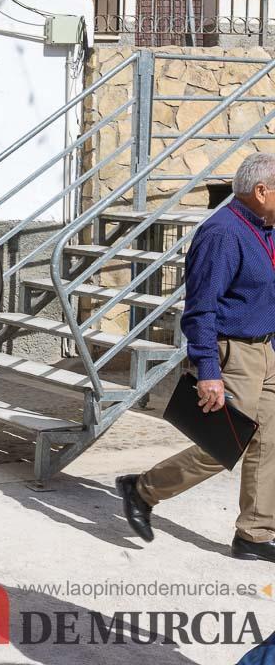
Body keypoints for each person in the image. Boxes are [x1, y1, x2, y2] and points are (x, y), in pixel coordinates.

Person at [118, 152, 275, 563]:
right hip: (232, 351)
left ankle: (254, 534)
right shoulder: (223, 234)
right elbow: (201, 308)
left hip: (266, 350)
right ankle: (143, 489)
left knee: (270, 441)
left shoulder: (267, 229)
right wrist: (208, 369)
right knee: (225, 444)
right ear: (261, 192)